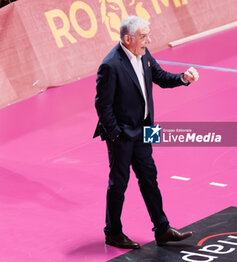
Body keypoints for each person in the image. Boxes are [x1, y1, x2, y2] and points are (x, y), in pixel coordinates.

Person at [93, 15, 199, 249]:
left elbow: (160, 77)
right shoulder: (111, 65)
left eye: (148, 35)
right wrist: (115, 135)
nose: (148, 40)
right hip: (122, 135)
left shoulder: (144, 55)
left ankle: (162, 229)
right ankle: (112, 232)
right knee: (119, 184)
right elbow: (102, 104)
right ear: (128, 38)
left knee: (150, 178)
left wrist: (183, 78)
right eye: (143, 36)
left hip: (145, 130)